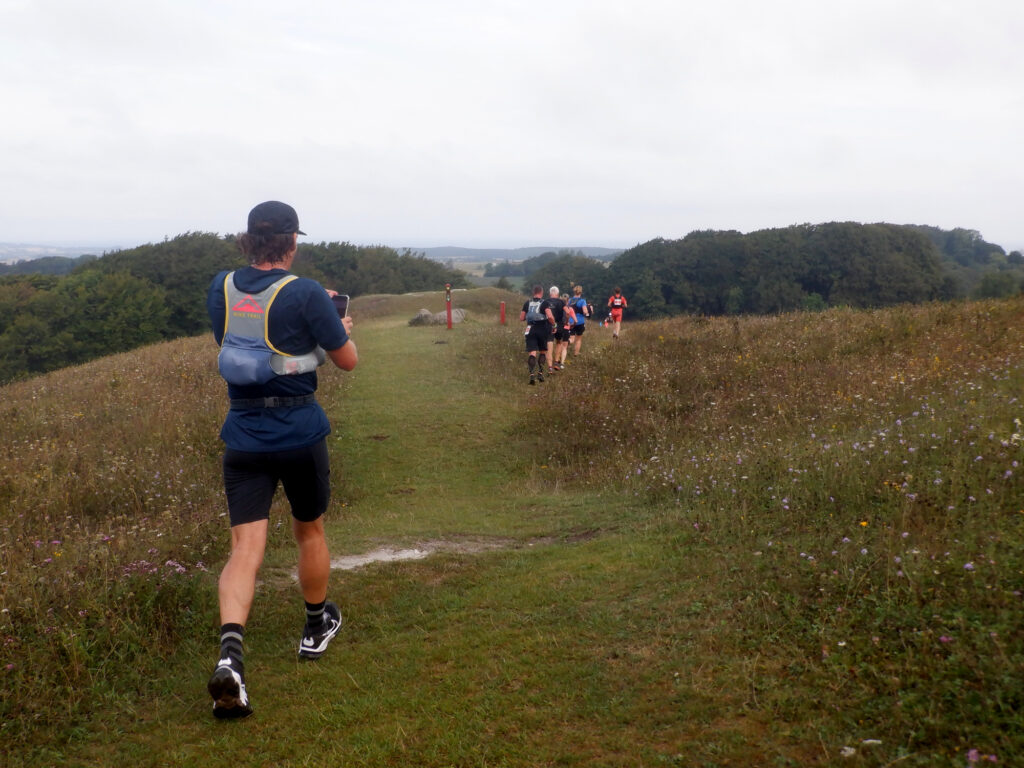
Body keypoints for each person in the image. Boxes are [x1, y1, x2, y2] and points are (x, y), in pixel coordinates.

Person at [205, 201, 358, 719]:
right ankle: (316, 627)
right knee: (309, 530)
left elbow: (235, 350)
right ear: (291, 243)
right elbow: (348, 361)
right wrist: (341, 327)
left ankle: (231, 657)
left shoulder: (221, 287)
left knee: (244, 549)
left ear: (247, 240)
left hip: (243, 436)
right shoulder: (307, 293)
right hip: (298, 431)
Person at [519, 284, 554, 385]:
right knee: (543, 352)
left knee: (532, 353)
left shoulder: (527, 303)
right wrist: (554, 324)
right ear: (542, 293)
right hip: (542, 329)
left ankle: (531, 375)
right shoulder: (544, 303)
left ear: (533, 292)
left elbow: (521, 318)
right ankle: (540, 373)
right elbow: (550, 317)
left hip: (530, 329)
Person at [545, 286, 569, 372]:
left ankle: (550, 367)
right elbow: (568, 312)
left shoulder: (546, 301)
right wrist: (566, 321)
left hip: (548, 325)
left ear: (550, 293)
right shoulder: (561, 302)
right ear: (558, 294)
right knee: (559, 342)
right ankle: (556, 362)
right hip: (559, 325)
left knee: (549, 344)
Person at [567, 285, 589, 357]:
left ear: (574, 291)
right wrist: (588, 312)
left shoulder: (569, 300)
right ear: (581, 292)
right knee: (579, 339)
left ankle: (568, 342)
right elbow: (585, 311)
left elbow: (567, 310)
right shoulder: (582, 301)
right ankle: (576, 354)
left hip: (571, 321)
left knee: (572, 338)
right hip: (580, 322)